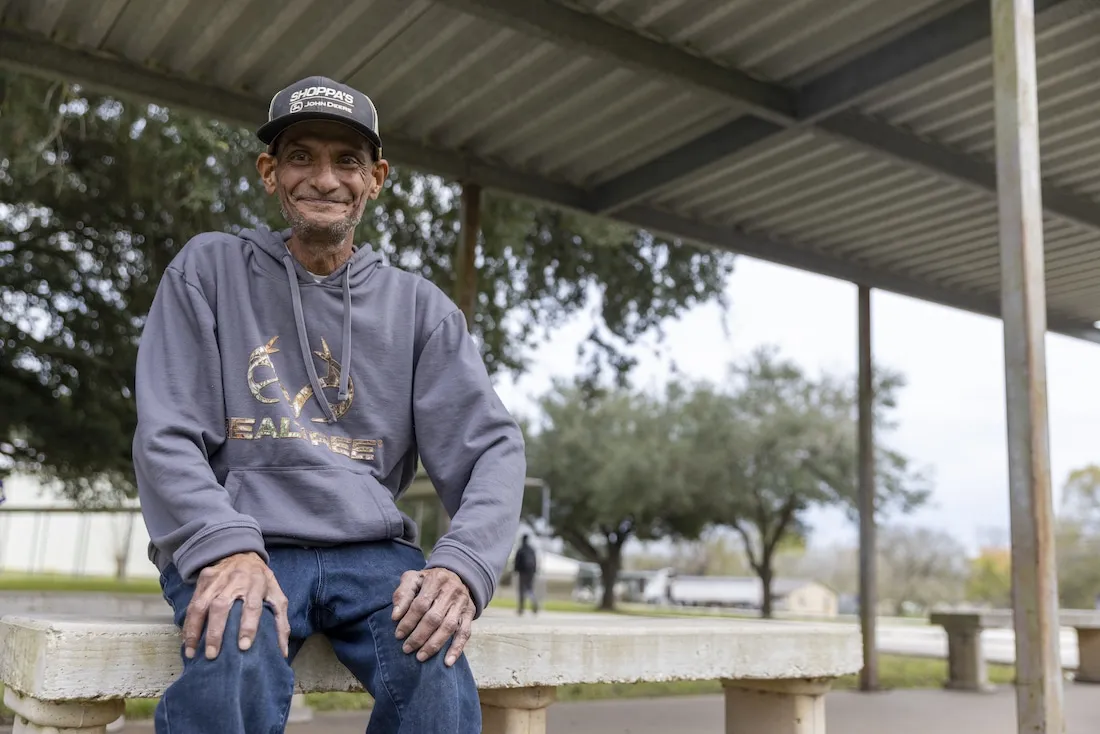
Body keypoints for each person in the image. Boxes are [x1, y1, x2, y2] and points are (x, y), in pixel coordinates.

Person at [132, 75, 526, 734]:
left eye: (347, 160)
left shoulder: (420, 309)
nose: (324, 178)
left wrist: (461, 567)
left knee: (436, 667)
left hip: (370, 552)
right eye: (300, 156)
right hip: (240, 535)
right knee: (233, 653)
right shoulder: (208, 271)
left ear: (377, 178)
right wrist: (223, 548)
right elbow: (166, 433)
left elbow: (492, 449)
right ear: (269, 172)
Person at [513, 534, 538, 615]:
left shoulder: (521, 549)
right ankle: (533, 601)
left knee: (521, 590)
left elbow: (516, 561)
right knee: (529, 589)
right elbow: (535, 561)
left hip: (522, 572)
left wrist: (515, 570)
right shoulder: (531, 550)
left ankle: (521, 608)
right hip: (531, 573)